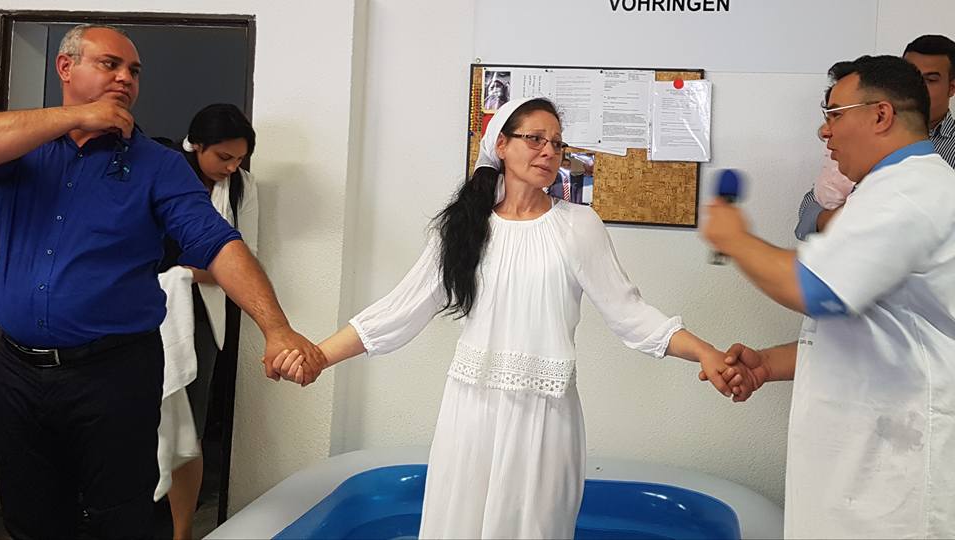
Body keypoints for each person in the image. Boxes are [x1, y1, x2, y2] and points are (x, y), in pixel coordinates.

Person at [273, 97, 751, 538]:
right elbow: (400, 311)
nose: (549, 151)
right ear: (501, 145)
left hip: (545, 418)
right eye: (535, 139)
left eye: (557, 143)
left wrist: (705, 353)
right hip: (471, 413)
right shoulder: (463, 228)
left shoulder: (579, 226)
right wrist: (318, 356)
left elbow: (631, 314)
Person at [0, 24, 322, 538]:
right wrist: (76, 116)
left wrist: (276, 329)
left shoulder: (158, 166)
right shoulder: (21, 148)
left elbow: (218, 243)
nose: (125, 78)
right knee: (29, 516)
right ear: (65, 67)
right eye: (110, 64)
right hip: (17, 371)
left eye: (134, 71)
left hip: (113, 374)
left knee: (118, 517)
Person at [701, 55, 955, 537]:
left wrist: (734, 238)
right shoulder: (883, 192)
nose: (824, 131)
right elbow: (874, 324)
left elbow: (817, 289)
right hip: (863, 468)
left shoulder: (910, 192)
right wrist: (768, 364)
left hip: (894, 482)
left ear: (881, 115)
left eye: (834, 114)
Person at [156, 104, 258, 540]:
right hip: (142, 308)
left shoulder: (241, 188)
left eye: (240, 159)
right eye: (223, 157)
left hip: (199, 315)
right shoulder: (163, 171)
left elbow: (245, 258)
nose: (232, 167)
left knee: (189, 425)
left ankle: (182, 531)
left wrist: (186, 274)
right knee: (137, 417)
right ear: (195, 145)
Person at [795, 34, 955, 240]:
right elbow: (812, 204)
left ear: (951, 87)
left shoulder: (924, 175)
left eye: (930, 80)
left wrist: (853, 219)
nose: (916, 87)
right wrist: (848, 218)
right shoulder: (865, 139)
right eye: (908, 76)